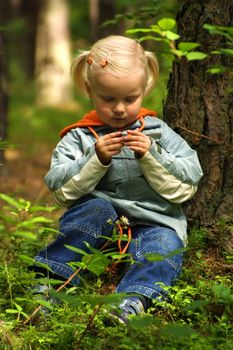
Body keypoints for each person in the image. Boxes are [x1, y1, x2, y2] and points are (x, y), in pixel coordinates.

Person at [33, 35, 203, 324]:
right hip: (98, 226)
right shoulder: (79, 136)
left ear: (145, 88)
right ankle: (49, 286)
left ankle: (131, 301)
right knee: (95, 210)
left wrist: (151, 154)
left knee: (165, 243)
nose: (120, 108)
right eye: (108, 99)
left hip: (153, 222)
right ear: (89, 89)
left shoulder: (158, 132)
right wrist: (95, 159)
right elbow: (61, 189)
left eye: (130, 98)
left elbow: (190, 178)